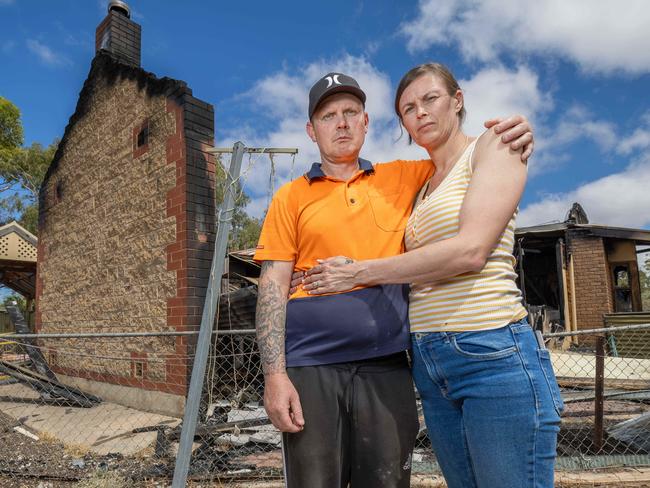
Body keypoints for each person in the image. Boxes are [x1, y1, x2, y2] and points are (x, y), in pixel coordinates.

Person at [254, 70, 534, 488]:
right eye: (329, 116)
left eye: (351, 112)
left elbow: (457, 158)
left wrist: (509, 136)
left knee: (386, 481)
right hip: (310, 367)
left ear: (366, 122)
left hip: (387, 366)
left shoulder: (406, 176)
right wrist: (275, 377)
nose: (342, 122)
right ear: (312, 131)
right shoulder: (291, 196)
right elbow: (272, 286)